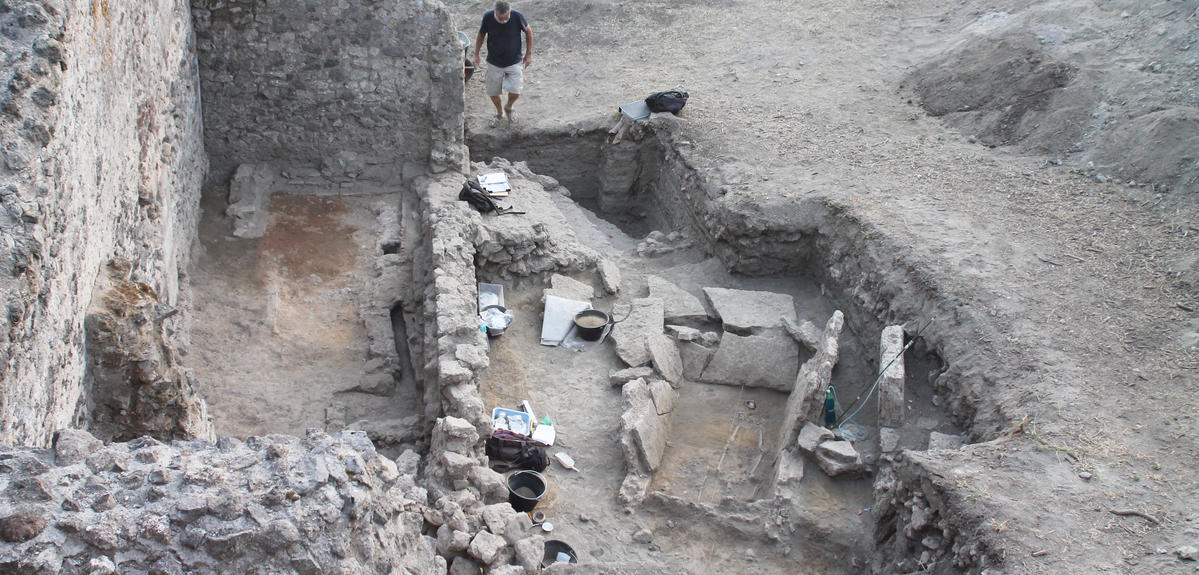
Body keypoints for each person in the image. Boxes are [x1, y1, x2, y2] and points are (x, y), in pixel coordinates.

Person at [473, 1, 532, 125]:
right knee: (493, 92)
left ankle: (509, 107)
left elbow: (528, 31)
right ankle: (500, 113)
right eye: (500, 18)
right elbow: (481, 35)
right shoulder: (488, 17)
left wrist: (528, 54)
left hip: (514, 61)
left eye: (506, 18)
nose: (503, 21)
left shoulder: (517, 16)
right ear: (495, 12)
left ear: (509, 12)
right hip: (494, 62)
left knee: (516, 90)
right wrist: (476, 54)